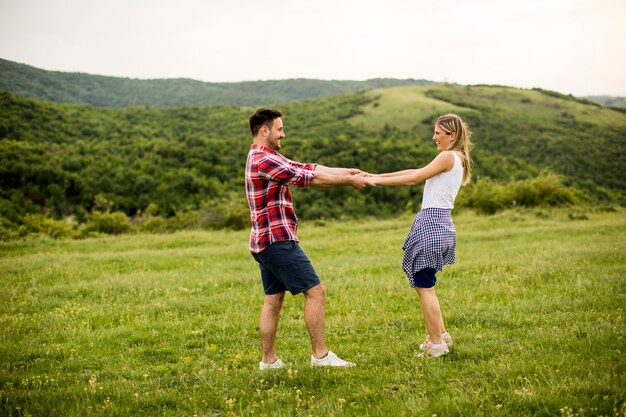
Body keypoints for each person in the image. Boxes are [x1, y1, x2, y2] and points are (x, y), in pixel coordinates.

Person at [245, 108, 373, 370]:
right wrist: (348, 182)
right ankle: (321, 356)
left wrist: (347, 171)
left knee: (273, 300)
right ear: (264, 130)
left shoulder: (266, 156)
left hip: (263, 242)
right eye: (279, 129)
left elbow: (306, 167)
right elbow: (309, 178)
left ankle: (268, 361)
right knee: (316, 292)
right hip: (277, 240)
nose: (283, 134)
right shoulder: (263, 160)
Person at [369, 113, 472, 357]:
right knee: (426, 284)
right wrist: (375, 176)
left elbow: (414, 178)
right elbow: (417, 171)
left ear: (452, 135)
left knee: (424, 285)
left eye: (438, 133)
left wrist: (376, 182)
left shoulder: (447, 156)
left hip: (432, 225)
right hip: (442, 224)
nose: (434, 137)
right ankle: (441, 335)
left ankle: (436, 345)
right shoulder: (458, 158)